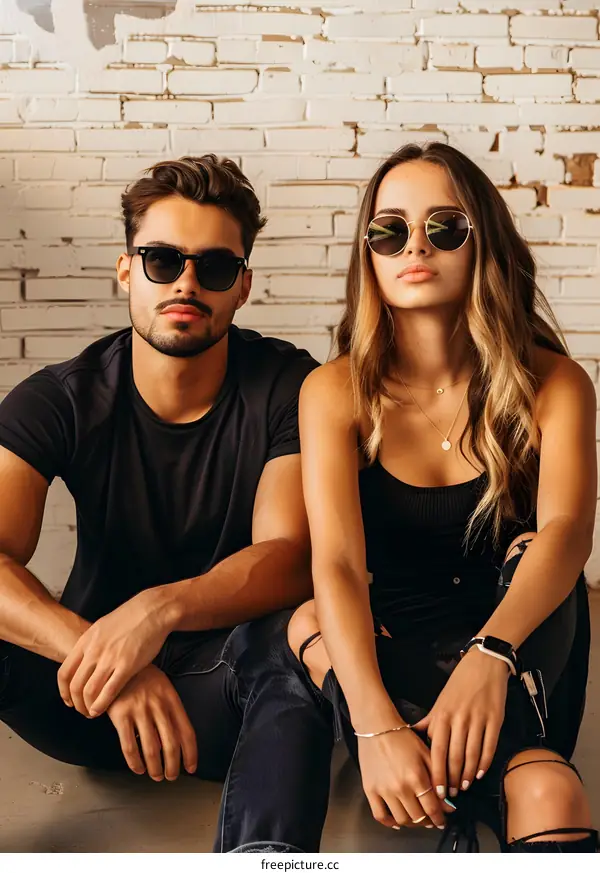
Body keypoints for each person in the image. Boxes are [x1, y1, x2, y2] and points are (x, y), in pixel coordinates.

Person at [0, 155, 333, 852]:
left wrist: (156, 611)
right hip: (88, 690)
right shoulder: (59, 397)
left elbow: (289, 556)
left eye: (214, 267)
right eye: (161, 259)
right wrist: (105, 656)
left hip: (227, 695)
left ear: (243, 286)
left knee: (296, 637)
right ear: (127, 270)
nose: (186, 282)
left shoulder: (285, 384)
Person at [287, 142, 598, 852]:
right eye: (389, 230)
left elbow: (569, 532)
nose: (413, 247)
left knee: (553, 787)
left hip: (517, 640)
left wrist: (490, 655)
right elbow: (335, 562)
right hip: (400, 652)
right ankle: (434, 767)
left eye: (444, 227)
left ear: (481, 241)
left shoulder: (555, 384)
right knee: (309, 620)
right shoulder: (334, 392)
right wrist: (375, 727)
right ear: (368, 254)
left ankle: (466, 779)